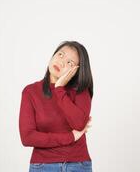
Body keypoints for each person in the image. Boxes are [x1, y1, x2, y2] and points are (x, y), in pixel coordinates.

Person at [19, 40, 94, 172]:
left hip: (77, 165)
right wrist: (69, 137)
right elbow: (27, 137)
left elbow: (79, 125)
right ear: (53, 55)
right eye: (60, 55)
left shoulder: (81, 90)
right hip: (42, 166)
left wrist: (59, 89)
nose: (62, 62)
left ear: (76, 70)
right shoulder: (30, 92)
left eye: (70, 62)